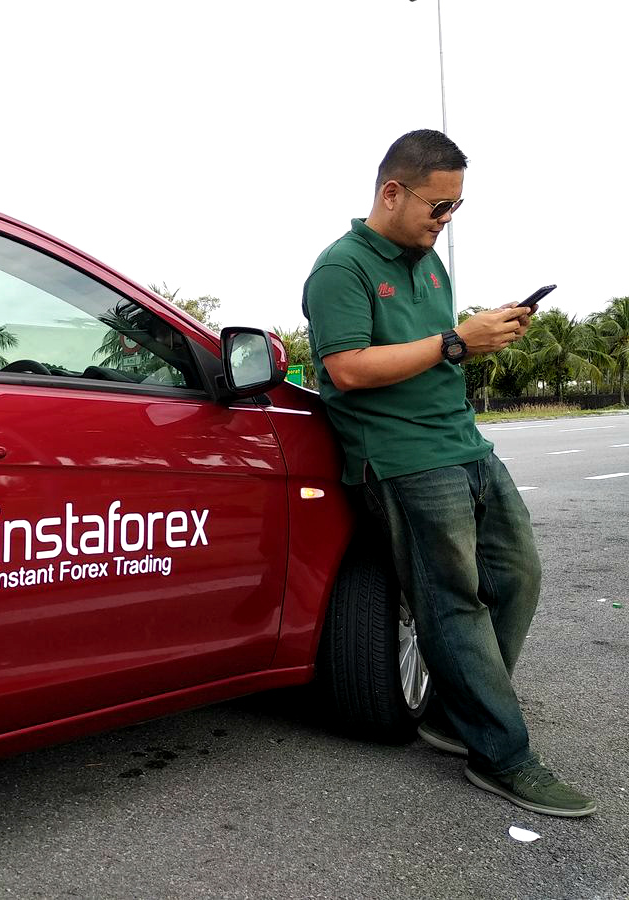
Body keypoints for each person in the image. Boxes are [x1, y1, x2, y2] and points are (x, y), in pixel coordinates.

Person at [302, 129, 596, 818]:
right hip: (402, 456)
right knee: (452, 602)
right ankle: (502, 756)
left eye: (456, 207)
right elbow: (347, 368)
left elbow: (431, 352)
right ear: (392, 192)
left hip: (463, 442)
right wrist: (457, 340)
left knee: (517, 574)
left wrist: (474, 339)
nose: (446, 220)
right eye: (438, 206)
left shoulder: (430, 264)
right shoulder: (340, 268)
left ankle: (452, 714)